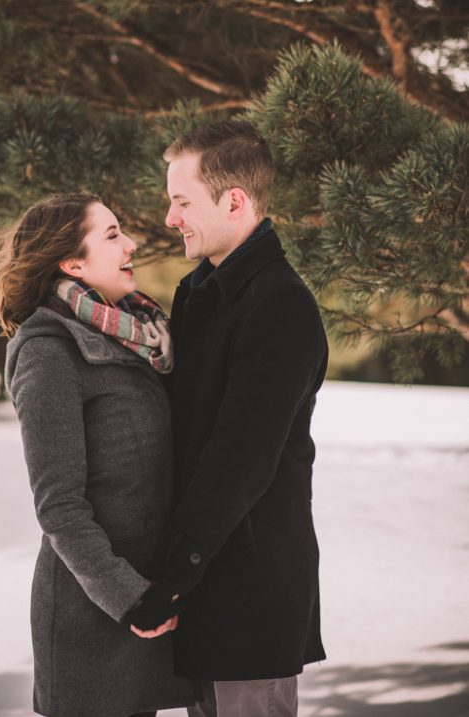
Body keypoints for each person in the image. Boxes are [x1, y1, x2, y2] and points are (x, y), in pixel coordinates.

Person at [0, 193, 196, 717]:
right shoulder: (48, 349)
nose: (132, 244)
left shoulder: (137, 337)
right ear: (72, 263)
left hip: (152, 604)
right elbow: (59, 507)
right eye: (112, 235)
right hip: (95, 621)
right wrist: (129, 597)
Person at [127, 121, 328, 717]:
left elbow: (238, 461)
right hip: (205, 584)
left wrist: (169, 578)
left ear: (234, 201)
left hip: (251, 593)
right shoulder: (200, 293)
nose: (170, 218)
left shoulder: (280, 305)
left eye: (182, 201)